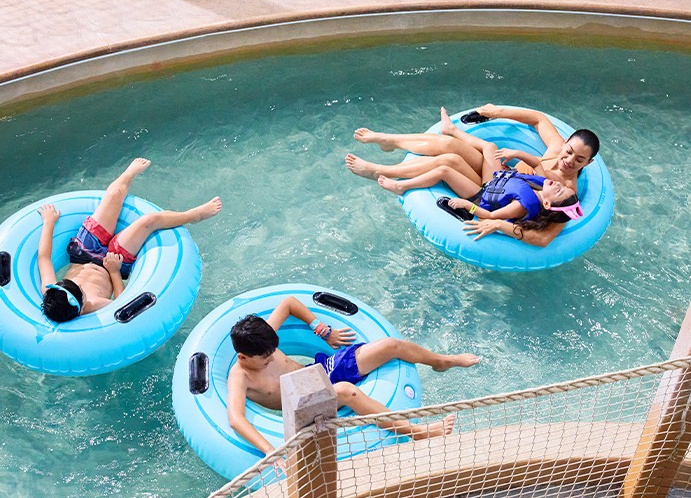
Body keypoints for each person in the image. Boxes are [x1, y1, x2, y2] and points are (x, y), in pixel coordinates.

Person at [227, 296, 480, 457]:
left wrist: (322, 329)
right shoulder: (240, 377)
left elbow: (289, 303)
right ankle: (417, 432)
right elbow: (236, 419)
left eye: (273, 352)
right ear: (243, 357)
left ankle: (442, 361)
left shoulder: (262, 340)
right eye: (266, 358)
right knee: (346, 390)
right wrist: (269, 451)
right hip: (303, 402)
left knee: (390, 345)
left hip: (320, 370)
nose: (272, 358)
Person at [346, 105, 600, 246]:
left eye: (579, 160)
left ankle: (378, 171)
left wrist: (499, 224)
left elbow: (543, 238)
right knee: (453, 146)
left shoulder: (566, 194)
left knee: (449, 161)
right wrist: (495, 112)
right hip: (502, 177)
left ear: (588, 163)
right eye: (568, 151)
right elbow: (538, 119)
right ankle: (389, 141)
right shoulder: (555, 151)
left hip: (492, 194)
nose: (568, 161)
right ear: (565, 143)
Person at [38, 158, 222, 322]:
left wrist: (49, 223)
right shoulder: (93, 305)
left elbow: (44, 258)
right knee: (149, 220)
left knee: (113, 196)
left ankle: (128, 175)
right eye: (81, 291)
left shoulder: (50, 292)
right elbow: (123, 304)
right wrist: (114, 272)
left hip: (83, 251)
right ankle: (193, 215)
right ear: (82, 305)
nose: (80, 285)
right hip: (112, 262)